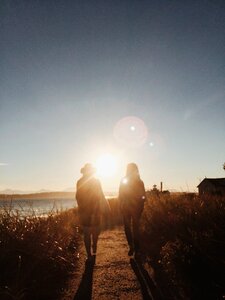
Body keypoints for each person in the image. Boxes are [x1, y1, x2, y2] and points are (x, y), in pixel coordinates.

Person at [76, 163, 109, 261]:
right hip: (88, 210)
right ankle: (89, 254)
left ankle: (93, 246)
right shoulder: (81, 181)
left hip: (93, 209)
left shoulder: (95, 181)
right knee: (88, 232)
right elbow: (78, 196)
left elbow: (101, 194)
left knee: (94, 231)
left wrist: (106, 204)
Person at [119, 163, 146, 258]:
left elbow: (143, 195)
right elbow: (121, 195)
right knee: (130, 227)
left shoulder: (139, 182)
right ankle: (133, 247)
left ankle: (135, 248)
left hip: (135, 208)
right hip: (129, 208)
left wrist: (141, 205)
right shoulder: (125, 180)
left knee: (133, 228)